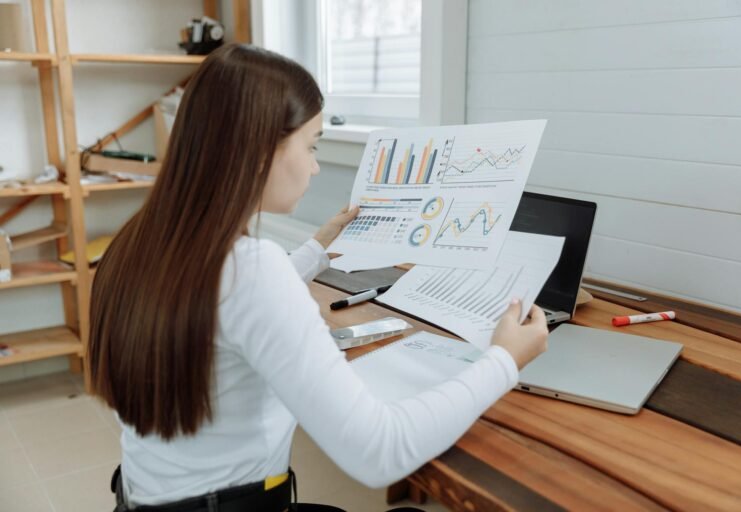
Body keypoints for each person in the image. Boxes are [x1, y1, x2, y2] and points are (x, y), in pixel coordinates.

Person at [89, 43, 549, 512]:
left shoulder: (139, 240)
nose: (315, 165)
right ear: (260, 149)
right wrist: (504, 359)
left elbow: (220, 308)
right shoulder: (250, 269)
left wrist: (316, 250)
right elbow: (379, 453)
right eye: (311, 145)